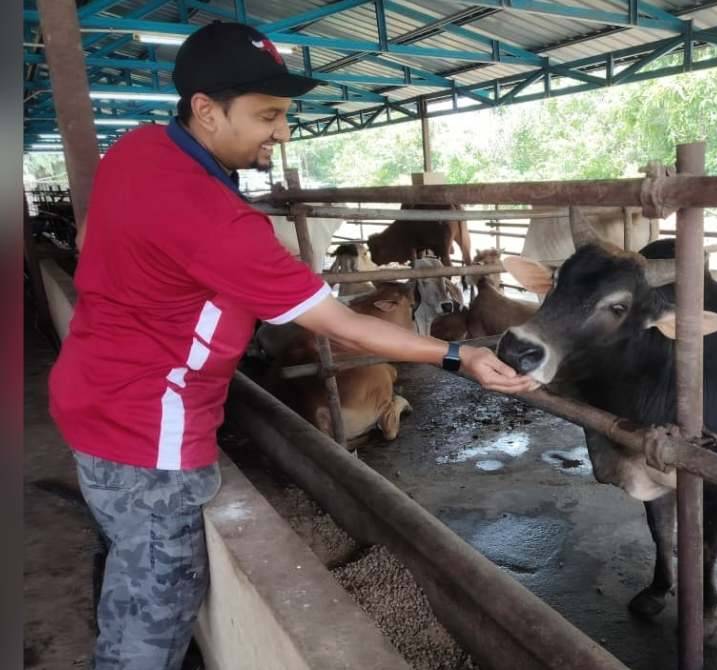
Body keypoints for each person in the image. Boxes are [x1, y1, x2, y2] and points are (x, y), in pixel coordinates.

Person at [48, 21, 537, 670]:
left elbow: (94, 244)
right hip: (149, 433)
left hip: (90, 398)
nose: (282, 132)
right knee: (158, 605)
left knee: (130, 565)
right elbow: (344, 323)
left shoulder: (136, 151)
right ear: (205, 110)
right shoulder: (219, 222)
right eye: (268, 115)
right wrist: (458, 355)